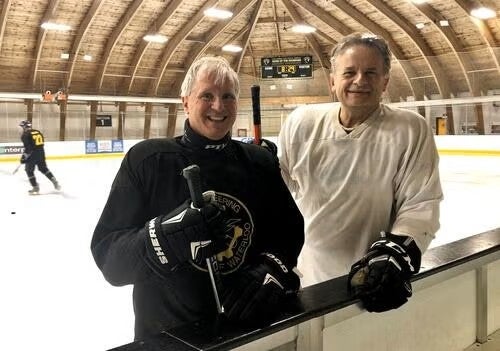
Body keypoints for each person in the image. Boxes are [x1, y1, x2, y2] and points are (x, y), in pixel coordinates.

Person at [91, 56, 304, 340]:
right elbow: (110, 261)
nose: (219, 106)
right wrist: (165, 236)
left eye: (228, 96)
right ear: (186, 102)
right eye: (207, 95)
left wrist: (271, 269)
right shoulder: (148, 160)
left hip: (251, 332)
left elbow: (289, 233)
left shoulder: (259, 163)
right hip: (170, 339)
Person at [278, 33, 443, 312]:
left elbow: (420, 204)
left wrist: (394, 253)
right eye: (349, 72)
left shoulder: (410, 130)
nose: (359, 81)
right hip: (306, 280)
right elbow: (276, 192)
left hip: (373, 280)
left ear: (385, 82)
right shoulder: (301, 123)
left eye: (370, 73)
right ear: (333, 81)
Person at [18, 120, 61, 195]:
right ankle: (54, 181)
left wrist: (23, 158)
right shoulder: (38, 131)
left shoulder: (25, 135)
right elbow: (41, 143)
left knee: (29, 170)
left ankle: (35, 187)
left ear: (24, 127)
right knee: (43, 168)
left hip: (32, 155)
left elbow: (28, 149)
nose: (22, 128)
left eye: (22, 127)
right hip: (41, 153)